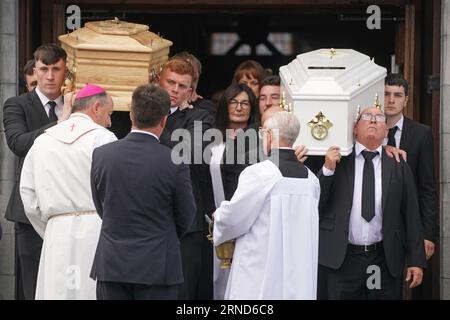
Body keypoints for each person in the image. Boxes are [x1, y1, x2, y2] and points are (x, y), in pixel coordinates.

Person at [90, 84, 196, 300]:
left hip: (113, 263)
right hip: (158, 264)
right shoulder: (174, 161)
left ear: (131, 114)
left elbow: (102, 206)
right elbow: (186, 215)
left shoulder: (102, 155)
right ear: (164, 120)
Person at [318, 106, 426, 299]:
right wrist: (327, 170)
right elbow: (317, 204)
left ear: (386, 131)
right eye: (367, 116)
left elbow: (411, 214)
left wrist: (416, 260)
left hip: (381, 260)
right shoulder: (337, 160)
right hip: (343, 260)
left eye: (380, 118)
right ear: (354, 128)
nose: (374, 120)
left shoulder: (398, 165)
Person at [19, 84, 116, 300]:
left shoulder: (43, 140)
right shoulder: (104, 138)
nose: (110, 122)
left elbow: (28, 195)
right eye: (109, 114)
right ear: (96, 107)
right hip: (96, 232)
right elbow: (116, 193)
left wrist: (52, 227)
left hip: (57, 234)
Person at [213, 111, 319, 300]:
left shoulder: (259, 173)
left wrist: (218, 217)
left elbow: (234, 217)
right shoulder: (311, 180)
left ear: (269, 135)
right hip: (299, 274)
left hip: (260, 269)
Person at [2, 43, 71, 299]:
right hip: (28, 210)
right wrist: (60, 123)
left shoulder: (78, 104)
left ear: (66, 71)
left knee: (66, 286)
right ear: (36, 70)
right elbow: (18, 144)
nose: (50, 76)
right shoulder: (16, 104)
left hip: (68, 208)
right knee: (32, 286)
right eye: (44, 69)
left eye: (56, 69)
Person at [157, 59, 215, 299]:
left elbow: (188, 151)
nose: (175, 90)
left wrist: (152, 123)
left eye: (182, 86)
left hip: (186, 223)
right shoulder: (133, 111)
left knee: (183, 293)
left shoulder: (202, 117)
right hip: (149, 218)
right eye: (170, 82)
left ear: (191, 92)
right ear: (158, 81)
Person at [209, 83, 260, 299]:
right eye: (234, 102)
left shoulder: (259, 140)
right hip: (214, 221)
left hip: (250, 223)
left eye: (245, 103)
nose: (239, 107)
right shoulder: (211, 139)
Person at [384, 74, 437, 261]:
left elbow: (427, 188)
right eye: (386, 94)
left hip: (406, 222)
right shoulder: (366, 131)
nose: (391, 100)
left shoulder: (421, 134)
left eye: (397, 95)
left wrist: (427, 235)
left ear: (406, 100)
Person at [170, 51, 216, 118]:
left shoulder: (205, 108)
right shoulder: (163, 104)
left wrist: (185, 111)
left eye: (193, 76)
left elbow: (198, 128)